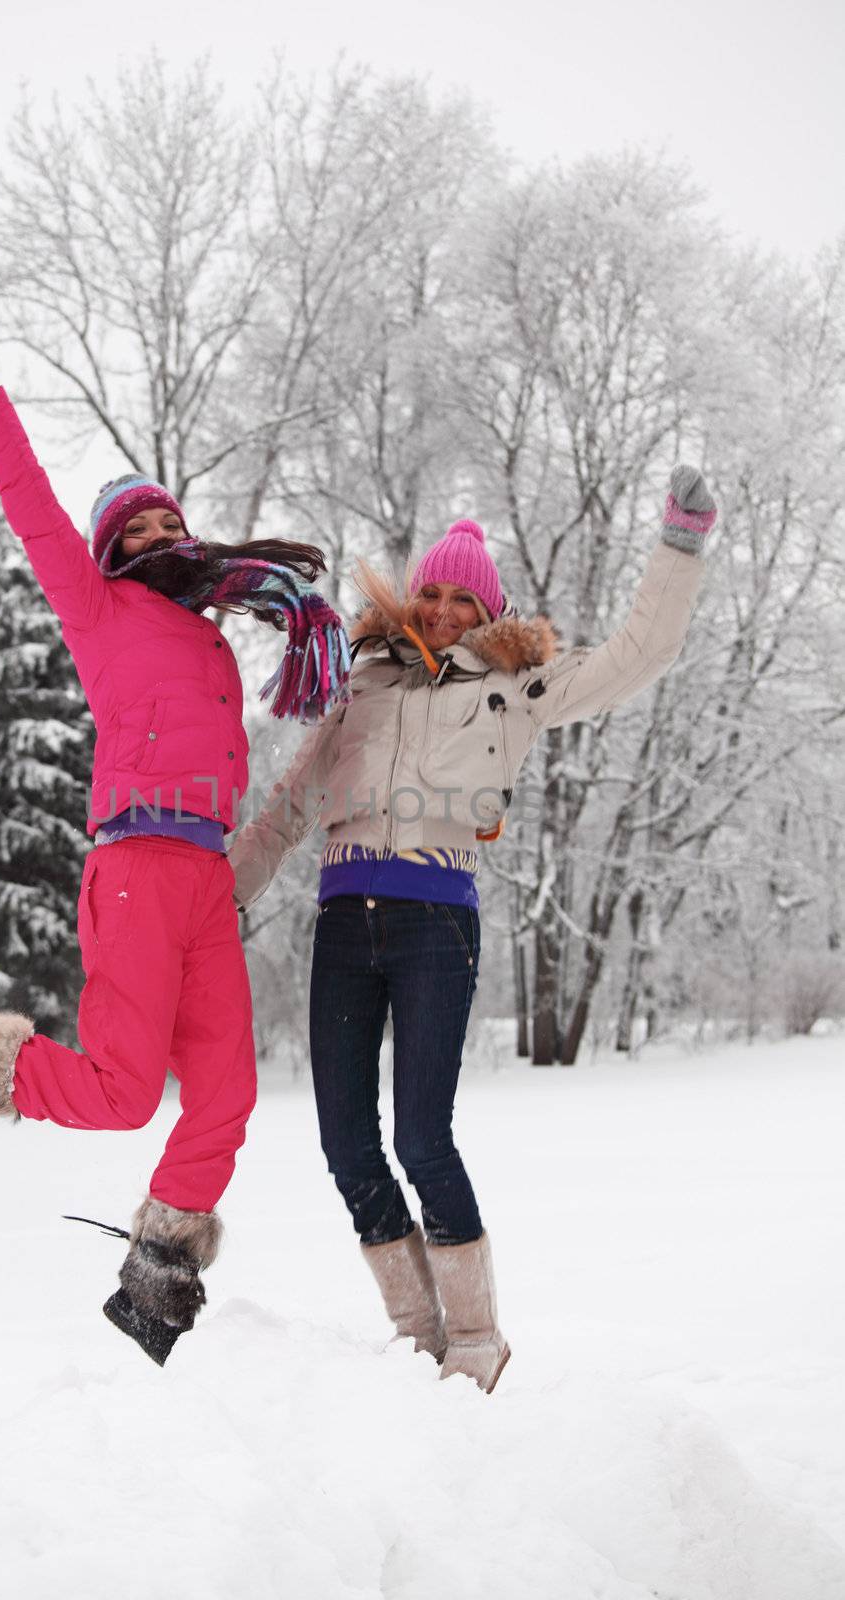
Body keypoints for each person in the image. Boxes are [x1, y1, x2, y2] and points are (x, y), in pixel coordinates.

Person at [0, 306, 350, 1366]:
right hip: (131, 867)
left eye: (160, 524)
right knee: (125, 1094)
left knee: (225, 1096)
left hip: (204, 885)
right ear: (107, 553)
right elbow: (34, 512)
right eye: (128, 531)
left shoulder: (215, 645)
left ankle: (155, 1281)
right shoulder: (97, 612)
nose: (150, 538)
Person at [227, 470, 718, 1393]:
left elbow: (636, 655)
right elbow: (289, 807)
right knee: (345, 1144)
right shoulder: (359, 681)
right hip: (343, 923)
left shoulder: (514, 686)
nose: (446, 609)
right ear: (413, 598)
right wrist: (224, 896)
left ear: (486, 610)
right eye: (433, 592)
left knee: (422, 1138)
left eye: (464, 598)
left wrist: (679, 545)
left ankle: (478, 1339)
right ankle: (417, 1335)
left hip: (432, 922)